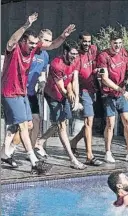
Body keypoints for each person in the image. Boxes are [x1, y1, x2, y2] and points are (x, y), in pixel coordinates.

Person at [1, 12, 75, 174]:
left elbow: (53, 45)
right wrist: (26, 25)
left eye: (36, 43)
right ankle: (34, 161)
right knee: (22, 125)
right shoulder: (13, 51)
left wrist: (63, 36)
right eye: (31, 43)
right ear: (23, 42)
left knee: (27, 124)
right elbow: (12, 40)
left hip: (24, 93)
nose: (34, 46)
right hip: (10, 92)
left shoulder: (36, 52)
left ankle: (5, 152)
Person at [34, 40, 86, 170]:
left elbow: (74, 80)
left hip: (64, 94)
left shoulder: (76, 60)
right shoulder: (56, 64)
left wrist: (76, 98)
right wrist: (70, 97)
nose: (74, 56)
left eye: (76, 54)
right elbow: (61, 88)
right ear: (65, 52)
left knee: (61, 123)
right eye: (72, 54)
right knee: (62, 125)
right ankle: (72, 159)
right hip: (52, 94)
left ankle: (40, 142)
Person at [97, 31, 128, 164]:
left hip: (122, 94)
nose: (117, 46)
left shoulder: (124, 53)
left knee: (127, 121)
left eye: (120, 43)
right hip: (109, 94)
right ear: (110, 43)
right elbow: (104, 79)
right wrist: (121, 89)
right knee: (110, 123)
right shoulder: (103, 56)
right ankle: (108, 152)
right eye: (115, 43)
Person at [69, 31, 102, 166]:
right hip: (83, 91)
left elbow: (98, 64)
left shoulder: (94, 50)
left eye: (89, 41)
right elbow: (74, 78)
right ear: (80, 41)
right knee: (89, 121)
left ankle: (73, 142)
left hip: (95, 90)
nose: (87, 43)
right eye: (84, 41)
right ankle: (89, 156)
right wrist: (75, 96)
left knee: (90, 123)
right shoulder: (77, 57)